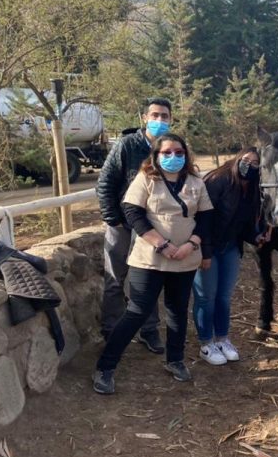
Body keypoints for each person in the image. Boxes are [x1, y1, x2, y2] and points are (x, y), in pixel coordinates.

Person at [93, 134, 213, 394]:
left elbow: (206, 218)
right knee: (137, 311)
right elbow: (133, 213)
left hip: (184, 259)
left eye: (178, 152)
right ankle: (105, 367)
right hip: (150, 259)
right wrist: (161, 244)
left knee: (177, 311)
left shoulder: (195, 182)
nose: (173, 157)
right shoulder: (146, 179)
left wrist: (191, 244)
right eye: (166, 152)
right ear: (156, 155)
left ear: (186, 154)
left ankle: (175, 360)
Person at [97, 97, 175, 353]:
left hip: (151, 228)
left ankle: (148, 330)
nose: (160, 120)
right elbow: (105, 183)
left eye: (164, 116)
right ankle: (110, 331)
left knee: (148, 279)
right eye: (155, 115)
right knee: (115, 278)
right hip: (122, 224)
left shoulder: (170, 148)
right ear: (145, 118)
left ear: (171, 119)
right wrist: (113, 219)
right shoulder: (127, 145)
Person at [192, 147, 263, 366]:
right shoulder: (218, 180)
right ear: (237, 158)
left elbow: (242, 223)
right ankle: (206, 343)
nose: (249, 165)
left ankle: (222, 339)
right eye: (246, 159)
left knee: (224, 296)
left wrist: (256, 237)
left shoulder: (252, 188)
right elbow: (203, 219)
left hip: (230, 247)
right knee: (206, 297)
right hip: (207, 247)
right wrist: (205, 252)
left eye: (255, 163)